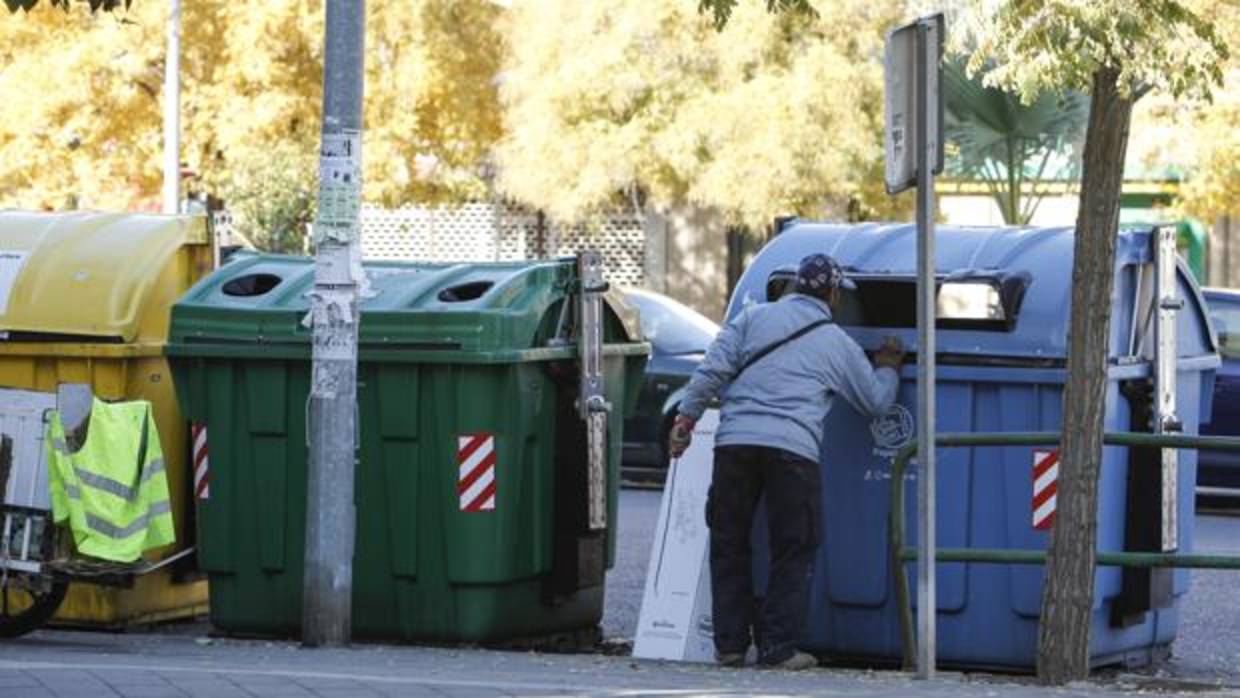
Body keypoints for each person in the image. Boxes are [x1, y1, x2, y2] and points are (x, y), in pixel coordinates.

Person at [669, 252, 904, 670]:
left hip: (734, 445)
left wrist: (685, 420)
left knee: (729, 543)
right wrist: (887, 368)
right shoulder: (837, 344)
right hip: (792, 452)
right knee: (793, 546)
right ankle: (778, 648)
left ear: (795, 285)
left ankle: (730, 645)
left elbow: (711, 371)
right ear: (833, 294)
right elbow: (876, 403)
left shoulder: (752, 318)